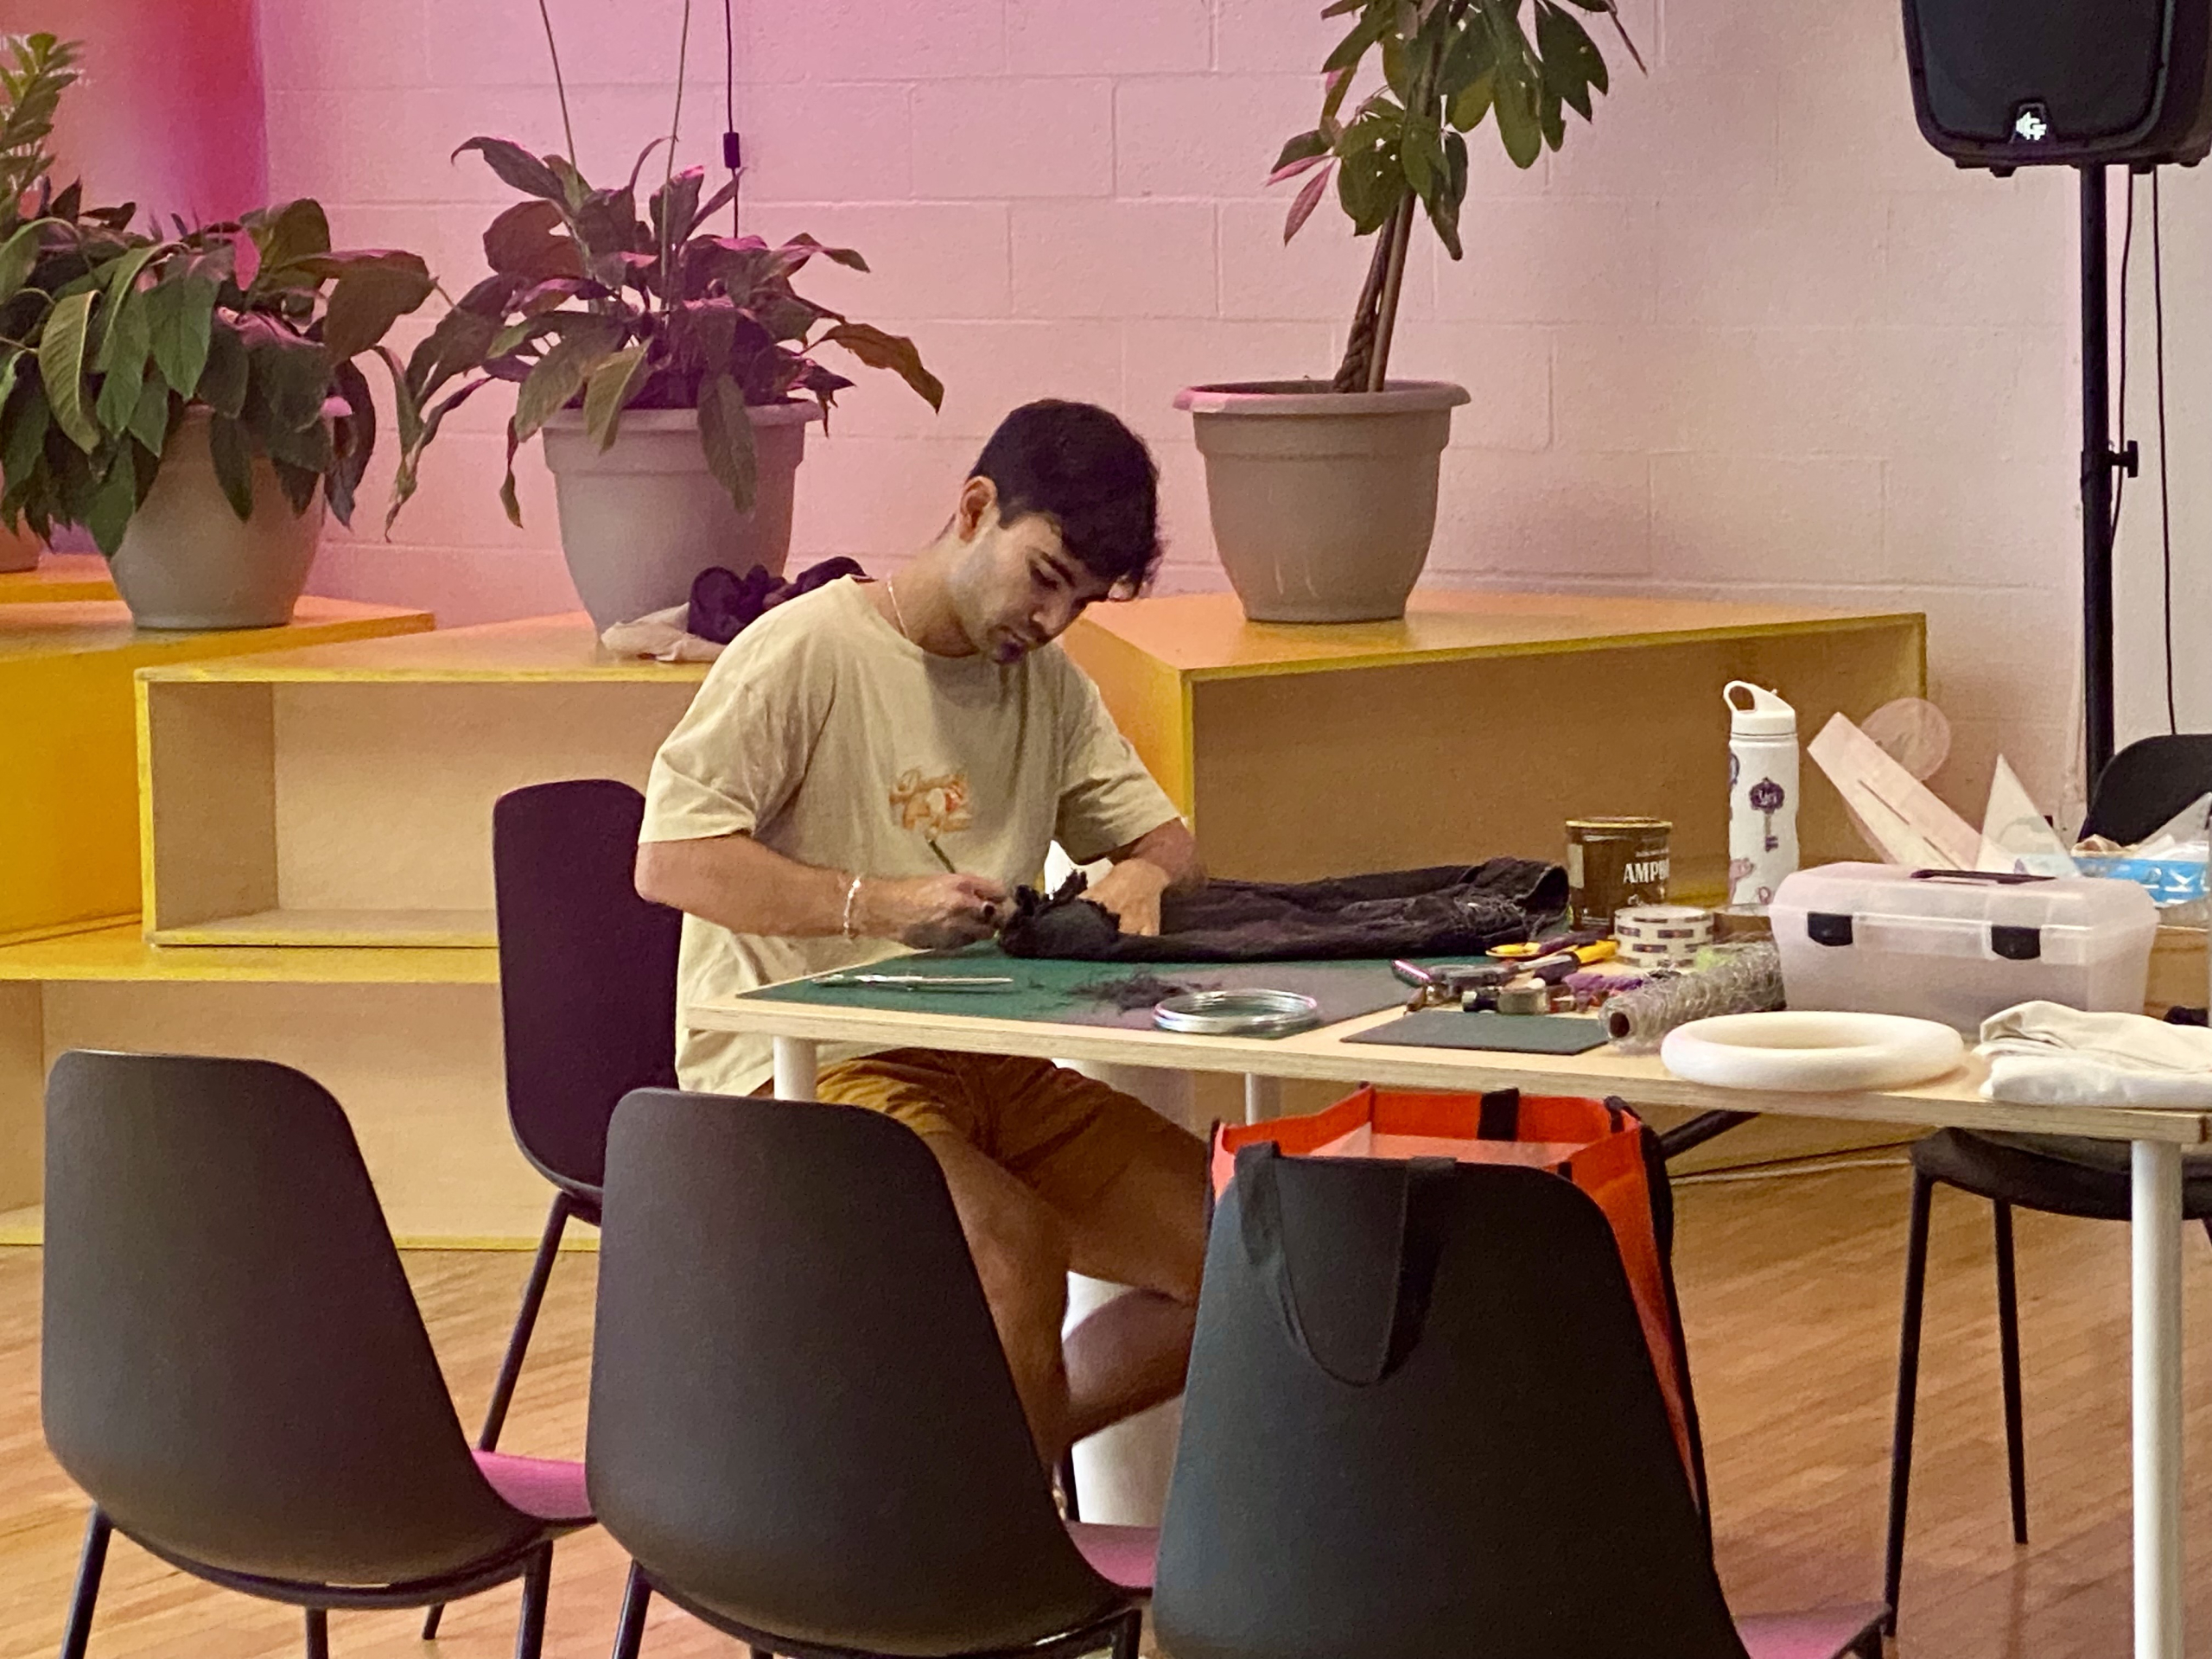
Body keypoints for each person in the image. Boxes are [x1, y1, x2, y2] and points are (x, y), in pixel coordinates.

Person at [636, 399, 1208, 1466]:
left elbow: (1168, 840)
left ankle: (980, 1470)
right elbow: (668, 861)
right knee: (1011, 1252)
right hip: (803, 1069)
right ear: (974, 509)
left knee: (1250, 1253)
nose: (1051, 621)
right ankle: (998, 1519)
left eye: (1080, 602)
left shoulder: (1046, 684)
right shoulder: (806, 649)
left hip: (985, 1060)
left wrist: (1140, 870)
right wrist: (876, 904)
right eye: (1044, 577)